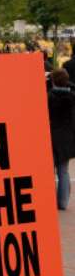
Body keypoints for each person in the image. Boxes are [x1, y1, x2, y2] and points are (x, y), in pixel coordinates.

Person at [48, 69, 74, 210]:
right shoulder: (71, 97)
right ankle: (63, 203)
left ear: (53, 81)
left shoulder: (49, 97)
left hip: (51, 137)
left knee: (49, 171)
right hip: (65, 138)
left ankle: (49, 200)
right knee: (63, 171)